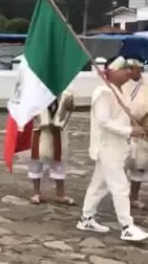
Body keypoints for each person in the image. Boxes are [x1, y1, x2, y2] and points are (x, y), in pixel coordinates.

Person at [78, 56, 148, 241]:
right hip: (107, 147)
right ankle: (127, 226)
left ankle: (86, 218)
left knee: (99, 186)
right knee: (120, 187)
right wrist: (129, 130)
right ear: (113, 71)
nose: (128, 72)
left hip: (118, 147)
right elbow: (104, 121)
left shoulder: (120, 92)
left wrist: (135, 127)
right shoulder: (103, 92)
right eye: (125, 69)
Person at [27, 91, 76, 205]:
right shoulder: (36, 92)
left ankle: (60, 194)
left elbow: (68, 110)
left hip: (57, 131)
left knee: (59, 159)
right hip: (39, 130)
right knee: (36, 160)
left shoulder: (64, 94)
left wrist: (70, 106)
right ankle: (36, 193)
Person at [122, 58, 148, 209]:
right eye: (128, 68)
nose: (130, 71)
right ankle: (120, 196)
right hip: (123, 127)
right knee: (121, 164)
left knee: (139, 164)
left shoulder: (146, 85)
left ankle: (134, 196)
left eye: (134, 68)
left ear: (140, 69)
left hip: (141, 128)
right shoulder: (120, 85)